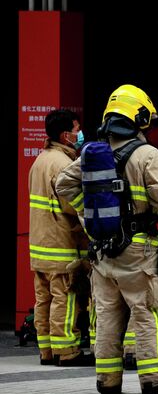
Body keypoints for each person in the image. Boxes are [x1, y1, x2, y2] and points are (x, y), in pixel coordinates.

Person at [56, 84, 158, 394]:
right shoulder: (147, 155)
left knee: (107, 314)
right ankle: (156, 380)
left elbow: (62, 184)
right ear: (140, 117)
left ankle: (107, 381)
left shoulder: (95, 154)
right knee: (147, 311)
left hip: (103, 250)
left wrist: (87, 216)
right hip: (139, 249)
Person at [28, 109, 92, 367]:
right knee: (65, 298)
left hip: (39, 246)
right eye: (77, 130)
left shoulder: (40, 161)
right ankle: (66, 351)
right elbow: (71, 206)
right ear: (66, 135)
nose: (79, 135)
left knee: (43, 300)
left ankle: (46, 350)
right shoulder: (63, 164)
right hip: (61, 246)